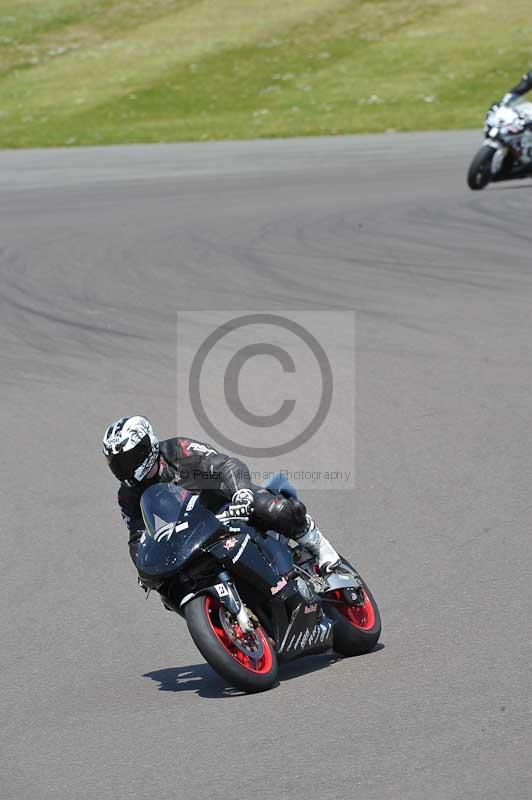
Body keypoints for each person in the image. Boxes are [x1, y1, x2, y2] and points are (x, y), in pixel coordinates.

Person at [102, 415, 341, 576]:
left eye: (130, 459)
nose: (126, 469)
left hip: (227, 503)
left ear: (149, 447)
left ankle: (315, 540)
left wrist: (242, 494)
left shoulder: (178, 450)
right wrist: (144, 567)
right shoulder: (128, 495)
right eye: (118, 464)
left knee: (271, 508)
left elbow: (225, 465)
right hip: (193, 533)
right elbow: (137, 537)